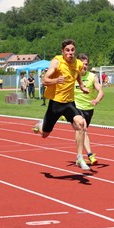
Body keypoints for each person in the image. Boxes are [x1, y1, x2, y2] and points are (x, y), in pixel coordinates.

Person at [32, 39, 90, 170]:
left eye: (72, 50)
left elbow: (77, 75)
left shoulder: (78, 64)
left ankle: (80, 157)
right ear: (62, 52)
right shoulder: (57, 62)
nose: (70, 53)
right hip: (56, 104)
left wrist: (82, 86)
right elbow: (44, 80)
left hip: (69, 103)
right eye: (67, 50)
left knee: (81, 124)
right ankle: (40, 125)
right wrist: (56, 80)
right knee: (45, 135)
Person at [75, 53, 104, 165]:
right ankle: (90, 155)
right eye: (82, 64)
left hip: (89, 109)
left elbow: (101, 91)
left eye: (86, 64)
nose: (84, 66)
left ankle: (79, 157)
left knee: (81, 132)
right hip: (76, 107)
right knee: (82, 128)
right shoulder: (73, 76)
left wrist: (97, 99)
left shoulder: (92, 77)